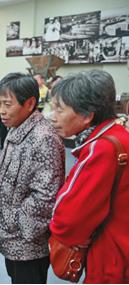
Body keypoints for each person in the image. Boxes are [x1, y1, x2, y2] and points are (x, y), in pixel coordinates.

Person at [49, 70, 129, 283]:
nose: (52, 116)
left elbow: (68, 220)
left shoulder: (101, 149)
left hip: (112, 259)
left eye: (59, 109)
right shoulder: (119, 134)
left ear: (87, 115)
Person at [0, 72, 65, 284]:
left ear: (30, 103)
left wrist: (15, 224)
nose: (2, 111)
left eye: (7, 104)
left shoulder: (43, 139)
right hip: (11, 237)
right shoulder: (17, 128)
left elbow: (45, 198)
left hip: (28, 245)